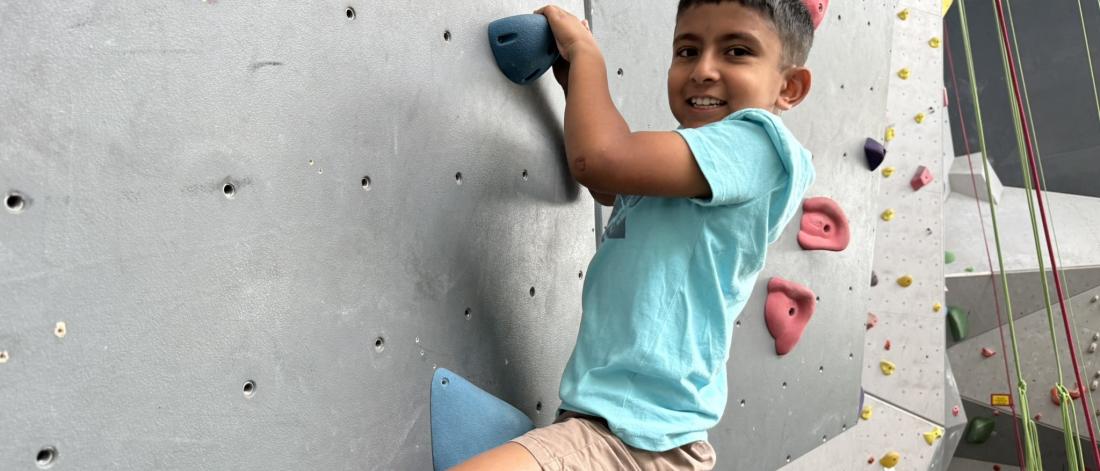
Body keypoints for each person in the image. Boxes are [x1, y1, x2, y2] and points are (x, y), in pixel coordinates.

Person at [456, 0, 816, 468]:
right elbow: (607, 182)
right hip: (621, 427)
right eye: (687, 50)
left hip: (640, 437)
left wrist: (587, 54)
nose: (703, 70)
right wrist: (574, 85)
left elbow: (601, 159)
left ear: (788, 86)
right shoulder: (688, 165)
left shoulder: (759, 142)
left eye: (737, 52)